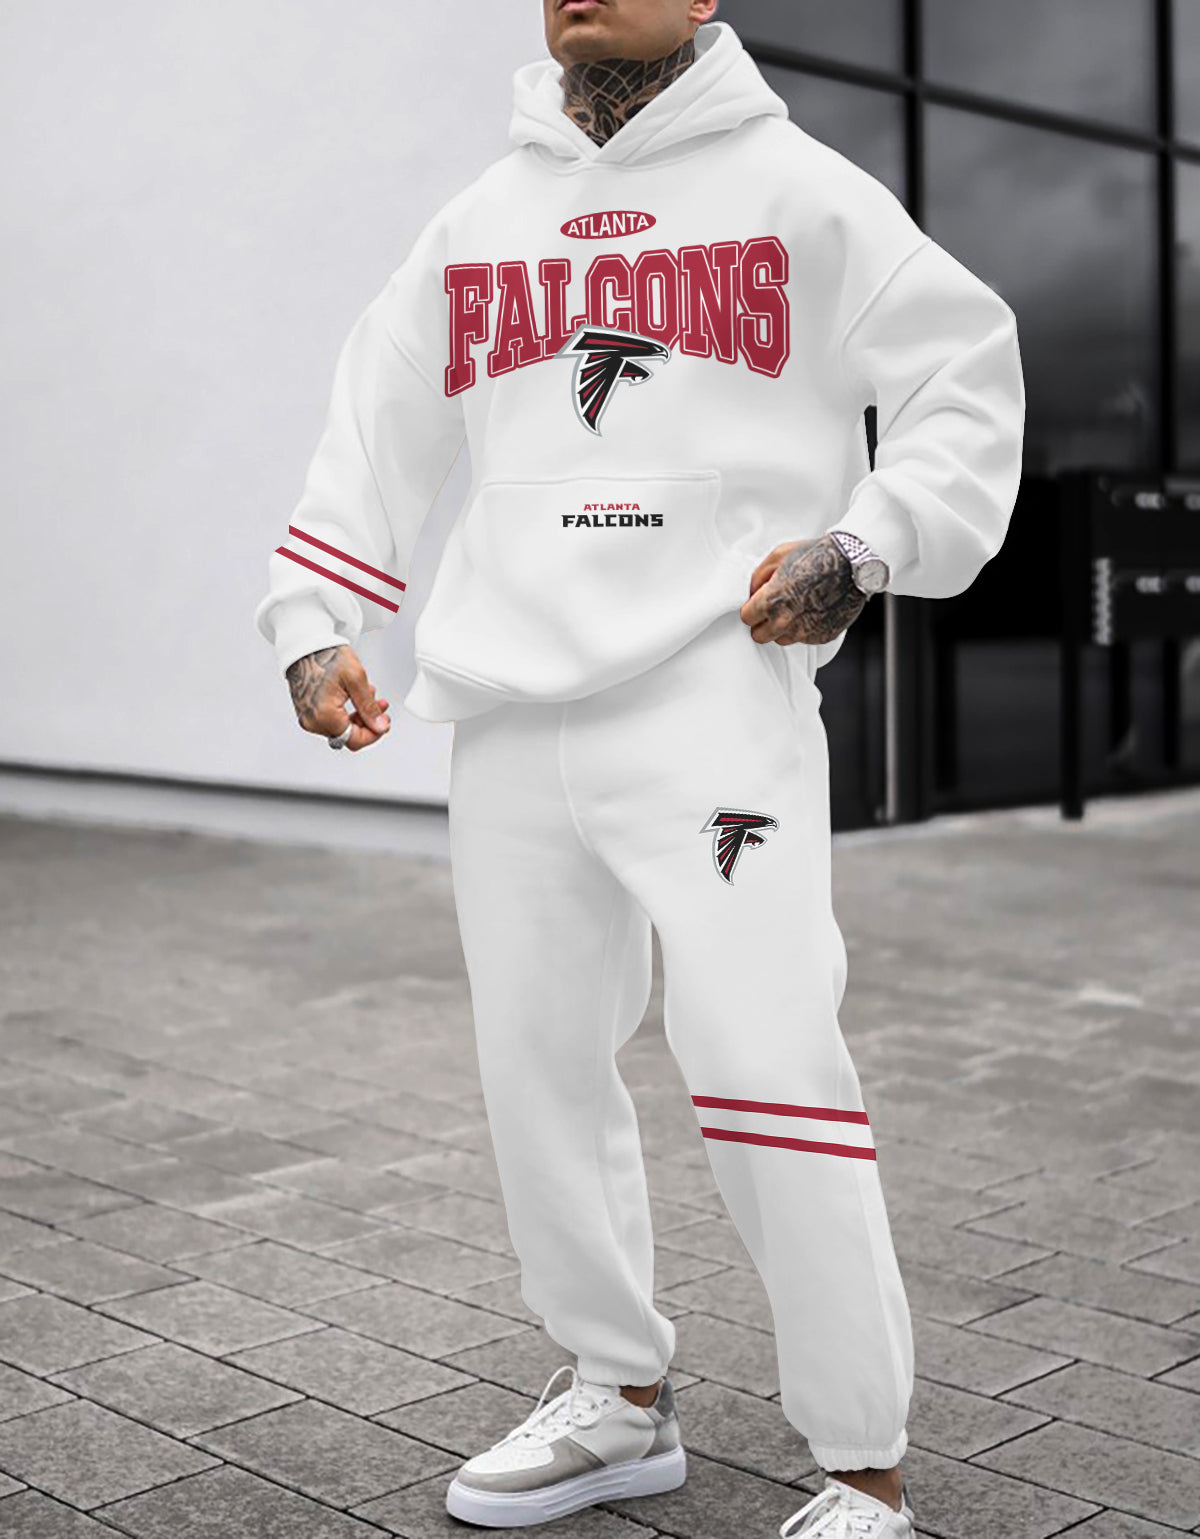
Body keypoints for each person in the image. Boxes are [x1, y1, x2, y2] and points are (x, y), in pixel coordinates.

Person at [254, 1, 1025, 1534]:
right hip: (508, 708)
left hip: (712, 692)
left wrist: (868, 543)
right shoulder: (484, 214)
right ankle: (617, 1393)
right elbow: (379, 417)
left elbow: (968, 372)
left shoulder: (801, 192)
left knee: (762, 1056)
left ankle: (861, 1465)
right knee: (537, 1063)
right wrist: (315, 617)